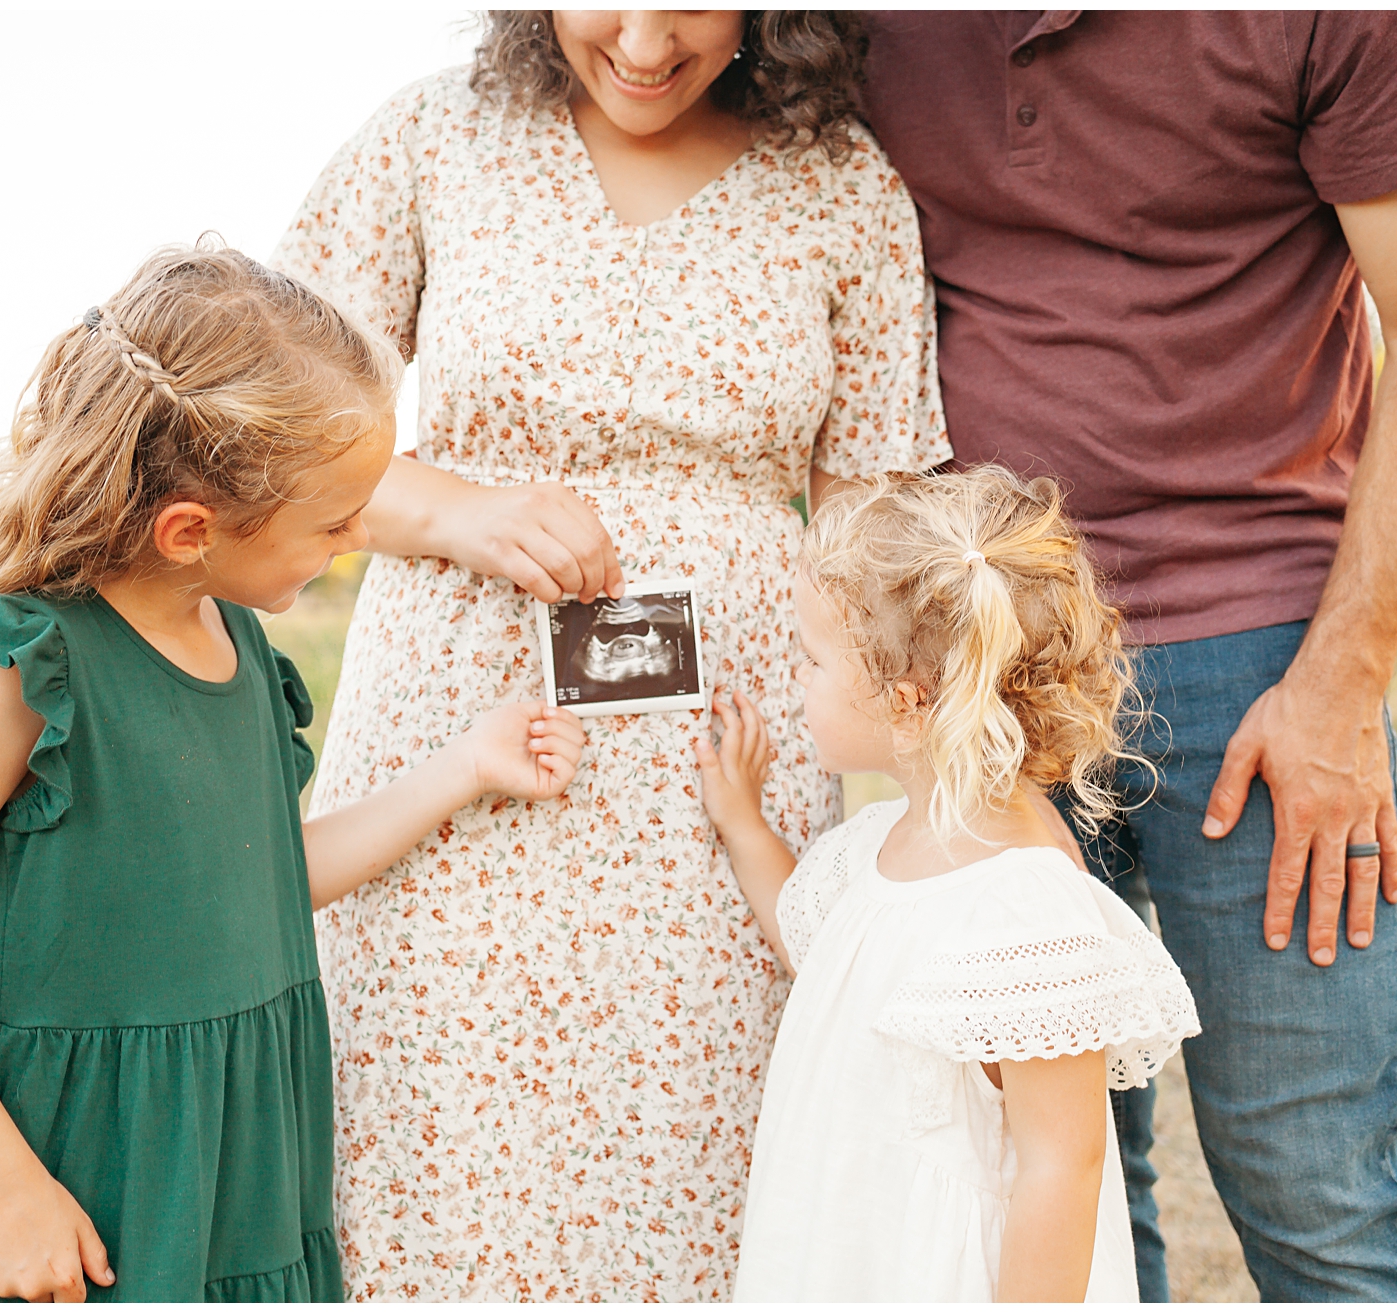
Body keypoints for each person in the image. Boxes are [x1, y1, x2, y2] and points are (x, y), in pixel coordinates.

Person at [271, 10, 948, 1299]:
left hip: (723, 771)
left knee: (705, 1126)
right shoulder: (436, 136)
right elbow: (263, 426)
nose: (642, 39)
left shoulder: (844, 185)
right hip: (458, 733)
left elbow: (880, 513)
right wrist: (456, 509)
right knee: (441, 1125)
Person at [860, 12, 1397, 1301]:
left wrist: (1342, 683)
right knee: (1052, 1191)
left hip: (1265, 658)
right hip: (995, 666)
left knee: (1317, 1187)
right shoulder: (851, 21)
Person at [0, 244, 586, 1302]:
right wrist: (1, 1192)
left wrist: (463, 768)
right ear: (192, 529)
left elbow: (267, 873)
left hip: (243, 1171)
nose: (360, 538)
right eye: (335, 520)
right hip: (83, 1180)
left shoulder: (236, 641)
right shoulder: (23, 671)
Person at [695, 465, 1200, 1300]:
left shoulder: (1026, 909)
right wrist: (746, 826)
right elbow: (826, 960)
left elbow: (1059, 1169)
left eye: (813, 663)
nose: (797, 684)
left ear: (904, 703)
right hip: (858, 1244)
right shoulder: (885, 843)